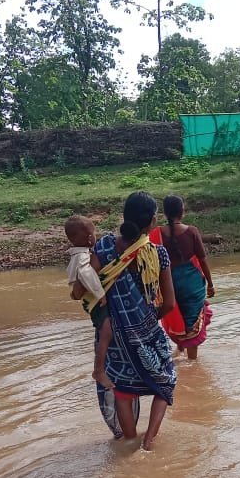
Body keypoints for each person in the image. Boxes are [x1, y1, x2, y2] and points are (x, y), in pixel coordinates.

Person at [72, 191, 177, 450]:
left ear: (124, 216)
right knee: (165, 382)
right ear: (153, 221)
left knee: (122, 388)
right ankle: (149, 441)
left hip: (114, 335)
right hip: (147, 331)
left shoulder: (104, 247)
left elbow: (83, 287)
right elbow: (170, 304)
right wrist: (149, 320)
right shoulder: (157, 254)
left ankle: (130, 442)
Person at [155, 195, 215, 360]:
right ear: (182, 211)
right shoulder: (192, 231)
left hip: (168, 282)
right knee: (192, 322)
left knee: (177, 315)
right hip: (191, 282)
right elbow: (202, 260)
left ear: (165, 213)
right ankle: (192, 362)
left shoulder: (156, 233)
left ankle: (179, 350)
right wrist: (210, 284)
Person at [64, 215, 113, 390]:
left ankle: (102, 366)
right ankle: (98, 371)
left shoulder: (79, 254)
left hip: (88, 299)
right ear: (90, 238)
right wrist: (101, 294)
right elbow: (85, 274)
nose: (95, 236)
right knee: (107, 331)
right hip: (94, 301)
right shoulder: (84, 256)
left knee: (103, 331)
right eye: (93, 233)